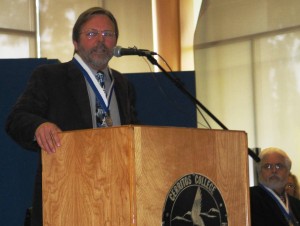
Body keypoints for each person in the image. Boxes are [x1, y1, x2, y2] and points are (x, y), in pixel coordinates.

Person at [5, 7, 137, 226]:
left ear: (115, 43)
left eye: (108, 34)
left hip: (116, 197)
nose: (101, 41)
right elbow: (16, 119)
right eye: (92, 34)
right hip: (67, 198)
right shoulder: (50, 77)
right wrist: (39, 126)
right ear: (76, 42)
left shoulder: (123, 85)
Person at [250, 147, 300, 226]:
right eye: (267, 166)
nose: (274, 171)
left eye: (279, 166)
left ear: (288, 171)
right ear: (259, 171)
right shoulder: (249, 198)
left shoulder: (297, 204)